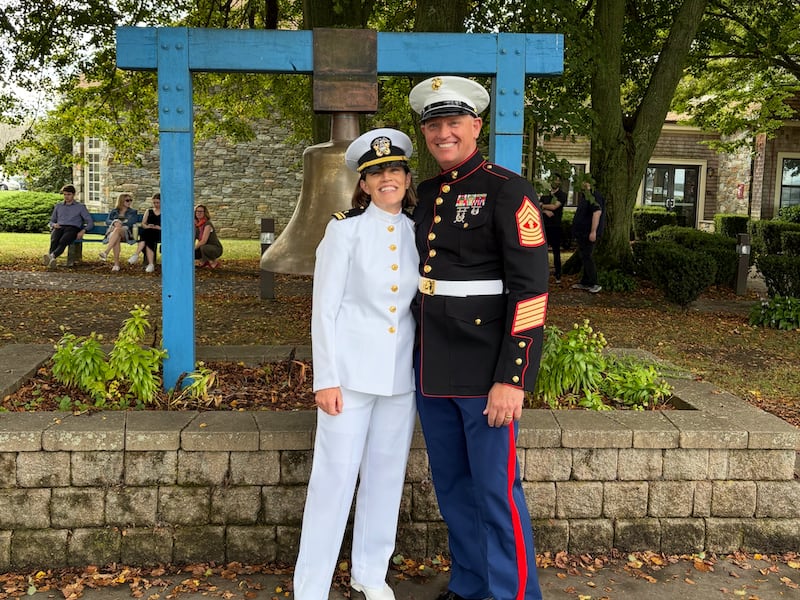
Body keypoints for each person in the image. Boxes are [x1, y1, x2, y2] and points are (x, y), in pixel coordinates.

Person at [408, 76, 548, 600]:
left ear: (476, 126)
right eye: (434, 125)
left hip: (486, 366)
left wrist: (513, 378)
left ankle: (515, 594)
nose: (443, 133)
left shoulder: (509, 190)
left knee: (495, 491)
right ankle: (470, 585)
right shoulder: (427, 194)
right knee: (453, 487)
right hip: (433, 362)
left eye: (453, 123)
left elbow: (530, 292)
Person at [293, 128, 419, 600]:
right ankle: (311, 586)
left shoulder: (418, 232)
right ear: (363, 184)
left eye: (395, 170)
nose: (388, 179)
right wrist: (325, 379)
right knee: (333, 480)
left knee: (385, 480)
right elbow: (323, 310)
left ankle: (370, 573)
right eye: (377, 173)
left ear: (407, 178)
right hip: (348, 379)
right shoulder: (343, 231)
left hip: (400, 378)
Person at [43, 184, 93, 270]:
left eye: (69, 194)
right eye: (65, 194)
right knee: (54, 239)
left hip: (72, 228)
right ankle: (52, 259)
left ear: (73, 195)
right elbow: (51, 221)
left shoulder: (80, 207)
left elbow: (90, 222)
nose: (66, 197)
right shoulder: (59, 206)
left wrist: (83, 230)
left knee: (63, 240)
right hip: (60, 227)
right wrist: (53, 225)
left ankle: (51, 256)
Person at [571, 176, 605, 293]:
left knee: (587, 256)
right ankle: (586, 282)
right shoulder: (585, 196)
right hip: (582, 233)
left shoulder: (594, 196)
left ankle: (594, 282)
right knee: (584, 256)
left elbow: (597, 213)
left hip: (588, 233)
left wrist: (593, 231)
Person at [99, 192, 139, 272]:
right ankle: (116, 265)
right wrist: (114, 222)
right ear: (121, 201)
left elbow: (132, 222)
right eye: (127, 200)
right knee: (116, 237)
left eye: (130, 200)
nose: (129, 202)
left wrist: (120, 223)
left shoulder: (133, 212)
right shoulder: (114, 211)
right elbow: (107, 221)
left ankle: (106, 252)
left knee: (117, 230)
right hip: (114, 233)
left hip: (126, 232)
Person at [540, 173, 566, 284]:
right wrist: (545, 210)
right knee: (542, 251)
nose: (555, 182)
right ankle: (542, 273)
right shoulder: (545, 195)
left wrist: (543, 206)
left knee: (556, 251)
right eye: (553, 180)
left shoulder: (562, 195)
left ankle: (558, 274)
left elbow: (555, 206)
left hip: (555, 226)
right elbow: (537, 206)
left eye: (557, 180)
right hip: (544, 226)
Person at [129, 192, 161, 273]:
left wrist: (159, 227)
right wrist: (148, 226)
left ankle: (136, 255)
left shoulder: (166, 212)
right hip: (149, 231)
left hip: (159, 232)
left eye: (157, 202)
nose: (156, 204)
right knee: (148, 235)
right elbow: (143, 223)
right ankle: (150, 264)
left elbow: (169, 226)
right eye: (154, 203)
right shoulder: (149, 211)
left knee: (148, 235)